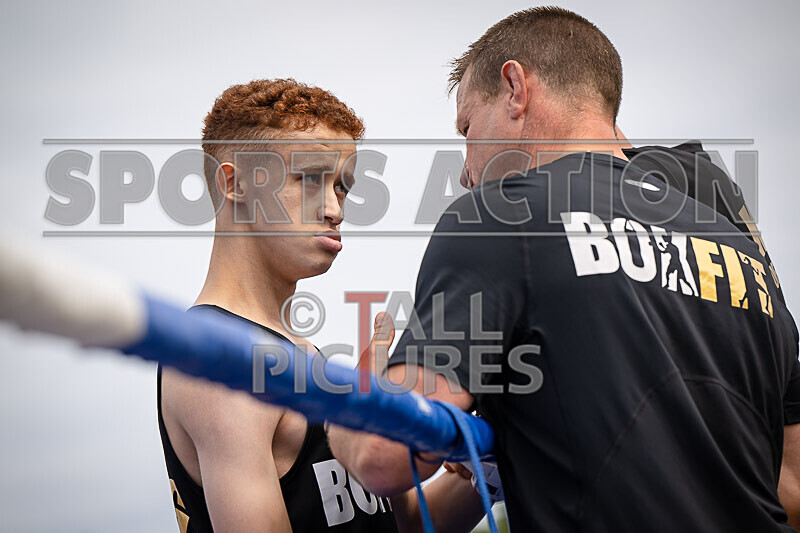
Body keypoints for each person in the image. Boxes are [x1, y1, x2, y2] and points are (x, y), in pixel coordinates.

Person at [328, 7, 800, 532]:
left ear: (514, 88)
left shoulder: (498, 216)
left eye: (466, 128)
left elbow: (385, 455)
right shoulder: (743, 248)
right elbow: (793, 488)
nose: (464, 172)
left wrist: (345, 409)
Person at [158, 79, 484, 532]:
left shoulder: (297, 353)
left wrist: (494, 460)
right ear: (234, 184)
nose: (335, 208)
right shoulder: (217, 362)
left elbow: (408, 523)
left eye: (342, 186)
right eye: (310, 179)